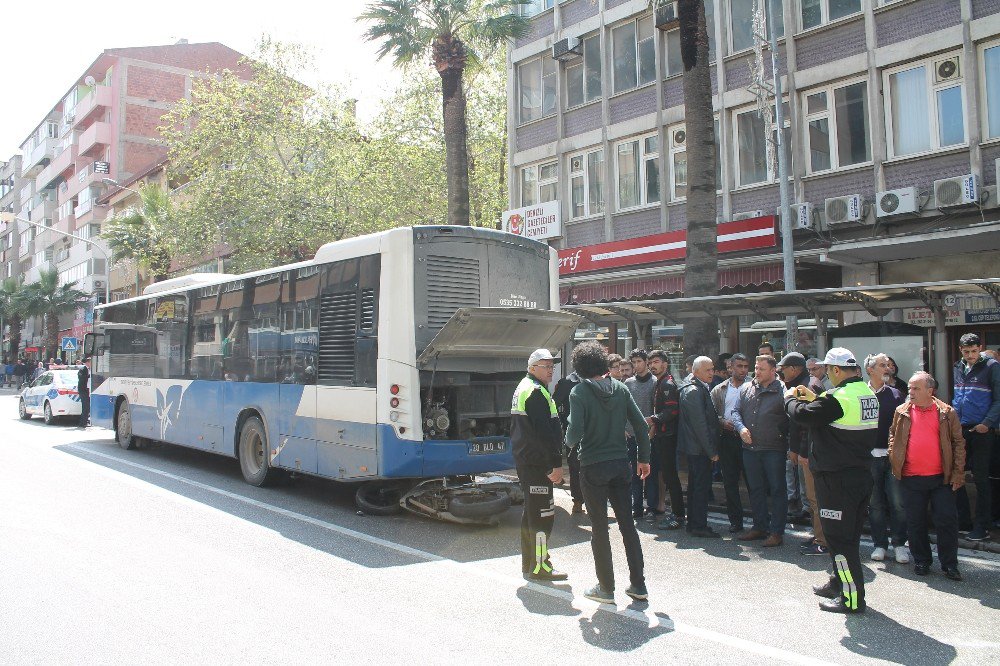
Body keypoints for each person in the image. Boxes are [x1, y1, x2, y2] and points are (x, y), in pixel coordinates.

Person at [785, 347, 877, 614]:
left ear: (836, 370)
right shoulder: (864, 393)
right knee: (848, 538)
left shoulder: (838, 397)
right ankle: (838, 583)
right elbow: (831, 410)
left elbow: (803, 415)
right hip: (858, 475)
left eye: (827, 370)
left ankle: (851, 598)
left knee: (839, 541)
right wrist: (816, 398)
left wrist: (790, 397)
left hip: (837, 480)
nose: (826, 374)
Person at [564, 341, 651, 604]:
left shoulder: (578, 392)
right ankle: (638, 585)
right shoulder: (621, 388)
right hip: (620, 464)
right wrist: (643, 459)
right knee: (628, 526)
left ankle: (606, 588)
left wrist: (567, 440)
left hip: (592, 465)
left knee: (599, 528)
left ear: (579, 366)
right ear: (602, 364)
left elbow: (574, 433)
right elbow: (640, 425)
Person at [888, 372, 965, 581]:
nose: (910, 392)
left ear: (930, 391)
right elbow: (893, 435)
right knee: (915, 522)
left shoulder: (946, 413)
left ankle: (950, 564)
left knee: (946, 521)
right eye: (910, 388)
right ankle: (922, 560)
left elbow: (958, 443)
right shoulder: (901, 411)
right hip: (911, 477)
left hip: (942, 478)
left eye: (916, 388)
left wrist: (958, 473)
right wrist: (893, 456)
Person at [511, 348, 567, 582]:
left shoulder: (527, 387)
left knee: (532, 515)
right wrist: (554, 465)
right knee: (542, 516)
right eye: (546, 366)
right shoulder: (534, 392)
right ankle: (540, 566)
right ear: (532, 368)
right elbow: (543, 434)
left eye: (552, 365)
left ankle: (530, 564)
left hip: (528, 462)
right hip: (537, 465)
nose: (551, 369)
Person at [732, 355, 789, 546]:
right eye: (756, 368)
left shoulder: (782, 390)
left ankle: (777, 532)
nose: (756, 372)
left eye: (761, 369)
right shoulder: (747, 388)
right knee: (755, 489)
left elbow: (790, 417)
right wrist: (740, 428)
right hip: (750, 448)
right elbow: (735, 412)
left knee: (777, 489)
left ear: (773, 371)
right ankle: (759, 526)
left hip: (774, 448)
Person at [952, 333, 1000, 541]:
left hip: (981, 430)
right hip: (962, 427)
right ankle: (964, 522)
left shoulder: (991, 366)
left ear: (979, 348)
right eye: (966, 351)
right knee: (957, 473)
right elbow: (958, 397)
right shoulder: (958, 367)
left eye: (974, 351)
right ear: (960, 350)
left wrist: (986, 424)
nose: (970, 355)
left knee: (981, 478)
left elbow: (999, 399)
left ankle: (983, 526)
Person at [780, 352, 828, 555]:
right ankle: (819, 535)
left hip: (809, 451)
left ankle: (822, 540)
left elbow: (805, 422)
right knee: (811, 497)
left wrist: (798, 450)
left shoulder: (806, 386)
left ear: (794, 369)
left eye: (784, 369)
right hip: (807, 449)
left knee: (815, 498)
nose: (781, 373)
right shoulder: (807, 382)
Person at [864, 353, 909, 563]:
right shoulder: (861, 393)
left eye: (888, 365)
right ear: (870, 370)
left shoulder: (896, 395)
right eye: (882, 365)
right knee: (875, 504)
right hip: (868, 457)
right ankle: (879, 544)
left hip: (892, 457)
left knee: (898, 503)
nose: (887, 369)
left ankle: (900, 544)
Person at [678, 356, 721, 538]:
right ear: (695, 372)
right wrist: (711, 452)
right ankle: (698, 524)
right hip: (699, 448)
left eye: (712, 369)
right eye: (707, 370)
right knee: (700, 488)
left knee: (697, 487)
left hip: (696, 447)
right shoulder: (694, 391)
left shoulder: (695, 387)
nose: (711, 373)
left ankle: (695, 523)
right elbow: (700, 425)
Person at [710, 352, 749, 533]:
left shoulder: (752, 386)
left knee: (753, 481)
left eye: (745, 366)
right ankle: (736, 521)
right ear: (730, 367)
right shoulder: (720, 389)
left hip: (748, 438)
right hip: (727, 439)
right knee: (730, 481)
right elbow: (710, 414)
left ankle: (759, 522)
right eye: (739, 366)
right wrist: (721, 422)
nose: (742, 370)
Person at [647, 349, 683, 529]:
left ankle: (677, 515)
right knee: (667, 476)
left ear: (665, 364)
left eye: (656, 362)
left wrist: (653, 419)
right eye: (650, 363)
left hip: (668, 436)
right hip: (662, 435)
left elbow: (672, 411)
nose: (652, 365)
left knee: (670, 476)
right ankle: (676, 513)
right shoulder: (659, 383)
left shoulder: (667, 384)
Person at [625, 350, 658, 520]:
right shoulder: (628, 383)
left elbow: (656, 409)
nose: (637, 365)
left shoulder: (655, 382)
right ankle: (636, 507)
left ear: (646, 362)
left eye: (639, 361)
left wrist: (653, 429)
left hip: (649, 434)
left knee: (650, 472)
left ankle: (651, 508)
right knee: (634, 473)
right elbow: (623, 407)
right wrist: (623, 427)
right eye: (634, 362)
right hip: (631, 434)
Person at [553, 367, 584, 515]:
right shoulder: (566, 383)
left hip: (594, 431)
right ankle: (577, 501)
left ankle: (595, 502)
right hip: (573, 431)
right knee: (574, 466)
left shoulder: (596, 381)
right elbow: (553, 404)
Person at [77, 357, 92, 428]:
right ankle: (82, 423)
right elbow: (81, 378)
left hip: (89, 390)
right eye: (90, 362)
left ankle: (85, 421)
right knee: (85, 406)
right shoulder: (82, 369)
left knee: (88, 406)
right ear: (87, 362)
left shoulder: (91, 370)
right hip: (83, 390)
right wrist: (89, 376)